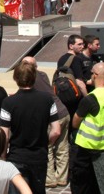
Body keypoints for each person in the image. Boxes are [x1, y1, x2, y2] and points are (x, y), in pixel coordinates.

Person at [0, 60, 61, 194]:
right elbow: (56, 131)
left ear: (15, 78)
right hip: (39, 155)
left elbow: (4, 134)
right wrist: (46, 143)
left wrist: (3, 156)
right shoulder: (48, 99)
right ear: (34, 77)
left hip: (17, 157)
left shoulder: (8, 102)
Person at [70, 62, 104, 194]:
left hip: (88, 148)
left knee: (82, 185)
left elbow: (75, 122)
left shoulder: (91, 98)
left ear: (95, 75)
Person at [22, 56, 70, 189]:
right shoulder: (42, 75)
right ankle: (62, 177)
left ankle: (50, 179)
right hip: (63, 112)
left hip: (52, 116)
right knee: (62, 146)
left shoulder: (28, 79)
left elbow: (29, 96)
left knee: (47, 146)